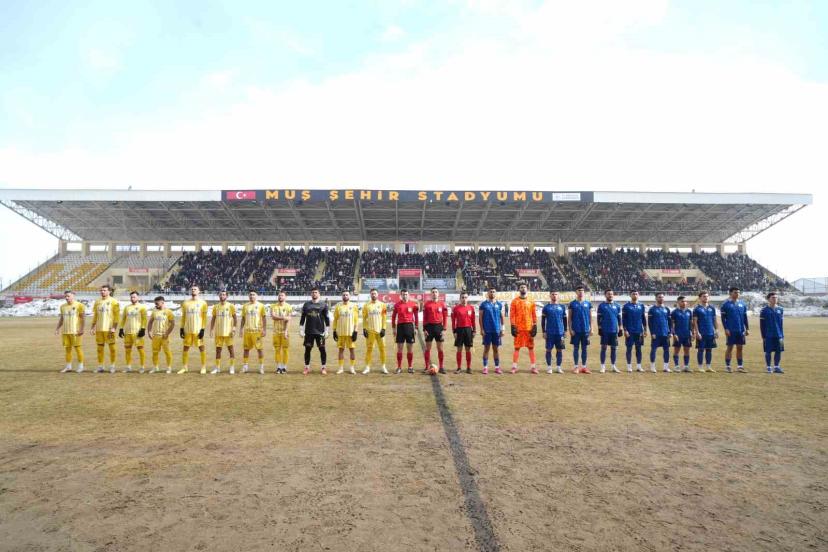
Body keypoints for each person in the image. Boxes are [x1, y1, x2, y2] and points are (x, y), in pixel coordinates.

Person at [90, 284, 120, 373]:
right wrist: (93, 327)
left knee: (112, 348)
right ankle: (100, 366)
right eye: (101, 290)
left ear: (109, 291)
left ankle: (112, 366)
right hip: (99, 329)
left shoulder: (114, 302)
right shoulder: (97, 302)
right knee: (99, 348)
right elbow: (95, 315)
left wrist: (114, 327)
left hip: (109, 329)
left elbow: (117, 316)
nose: (102, 292)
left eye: (104, 290)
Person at [179, 285, 208, 374]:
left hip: (197, 330)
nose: (193, 290)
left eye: (195, 289)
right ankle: (184, 367)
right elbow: (183, 316)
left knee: (201, 347)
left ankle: (203, 367)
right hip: (187, 329)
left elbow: (204, 318)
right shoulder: (185, 303)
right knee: (185, 347)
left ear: (199, 291)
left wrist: (203, 329)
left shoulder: (203, 303)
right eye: (192, 289)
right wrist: (181, 328)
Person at [300, 287, 330, 375]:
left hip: (320, 332)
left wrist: (327, 330)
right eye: (313, 292)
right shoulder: (306, 305)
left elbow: (327, 318)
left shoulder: (323, 305)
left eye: (316, 292)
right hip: (309, 331)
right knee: (307, 349)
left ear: (319, 294)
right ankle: (307, 367)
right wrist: (301, 329)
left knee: (322, 349)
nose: (314, 294)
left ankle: (323, 367)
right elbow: (303, 317)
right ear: (311, 294)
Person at [509, 282, 538, 374]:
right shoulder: (514, 301)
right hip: (518, 328)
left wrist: (535, 325)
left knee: (531, 347)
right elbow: (512, 315)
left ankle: (533, 367)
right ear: (519, 289)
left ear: (527, 289)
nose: (523, 288)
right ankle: (514, 367)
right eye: (521, 287)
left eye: (524, 287)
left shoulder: (531, 301)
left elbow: (534, 314)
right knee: (517, 348)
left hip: (529, 328)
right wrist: (513, 325)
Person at [720, 286, 749, 373]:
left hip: (740, 330)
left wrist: (747, 328)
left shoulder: (742, 304)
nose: (737, 294)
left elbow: (745, 317)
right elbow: (723, 318)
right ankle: (728, 366)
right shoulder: (725, 304)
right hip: (731, 330)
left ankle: (740, 366)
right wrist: (726, 328)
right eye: (735, 292)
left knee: (740, 347)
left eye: (738, 292)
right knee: (730, 347)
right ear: (730, 293)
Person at [56, 290, 85, 373]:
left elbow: (83, 318)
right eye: (65, 296)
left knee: (78, 348)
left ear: (73, 296)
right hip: (65, 331)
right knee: (67, 350)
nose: (66, 298)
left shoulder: (79, 305)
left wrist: (81, 329)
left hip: (75, 331)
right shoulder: (62, 306)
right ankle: (68, 367)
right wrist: (57, 328)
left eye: (68, 296)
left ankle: (81, 366)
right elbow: (62, 318)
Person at [209, 290, 237, 374]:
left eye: (224, 295)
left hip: (228, 332)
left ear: (227, 296)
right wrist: (211, 329)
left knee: (231, 349)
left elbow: (235, 318)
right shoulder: (216, 307)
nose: (222, 296)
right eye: (221, 295)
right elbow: (213, 318)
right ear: (219, 296)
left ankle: (232, 367)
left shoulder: (231, 306)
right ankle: (217, 368)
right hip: (218, 332)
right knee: (218, 350)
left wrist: (234, 328)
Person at [392, 289, 419, 374]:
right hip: (400, 327)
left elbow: (416, 316)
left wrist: (416, 327)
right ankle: (399, 367)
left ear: (408, 295)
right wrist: (394, 328)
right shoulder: (397, 305)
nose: (405, 296)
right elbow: (393, 317)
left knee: (409, 348)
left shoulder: (413, 304)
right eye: (403, 294)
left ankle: (410, 367)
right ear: (401, 295)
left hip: (409, 326)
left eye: (406, 294)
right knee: (399, 348)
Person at [478, 287, 505, 375]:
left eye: (494, 292)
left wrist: (503, 328)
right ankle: (485, 367)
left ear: (495, 293)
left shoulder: (499, 304)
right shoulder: (483, 304)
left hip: (496, 330)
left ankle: (497, 367)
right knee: (486, 348)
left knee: (496, 349)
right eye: (491, 292)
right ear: (488, 293)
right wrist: (482, 329)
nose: (492, 293)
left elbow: (502, 317)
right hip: (487, 330)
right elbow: (480, 317)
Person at [361, 288, 388, 374]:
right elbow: (364, 318)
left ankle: (383, 366)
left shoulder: (383, 305)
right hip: (370, 331)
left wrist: (383, 328)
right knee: (369, 349)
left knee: (382, 349)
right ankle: (367, 367)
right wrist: (364, 328)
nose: (373, 295)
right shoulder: (366, 305)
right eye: (372, 293)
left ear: (378, 294)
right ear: (370, 295)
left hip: (380, 331)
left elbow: (384, 318)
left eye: (375, 293)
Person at [119, 291, 147, 373]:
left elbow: (144, 319)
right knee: (127, 350)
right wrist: (121, 329)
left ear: (138, 297)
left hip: (137, 332)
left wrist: (143, 329)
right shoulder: (127, 307)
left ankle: (142, 367)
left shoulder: (142, 307)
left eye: (134, 297)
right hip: (128, 332)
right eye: (131, 297)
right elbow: (123, 319)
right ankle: (128, 367)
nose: (132, 298)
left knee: (140, 350)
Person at [422, 288, 449, 374]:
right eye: (433, 292)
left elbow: (445, 317)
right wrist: (424, 329)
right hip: (429, 327)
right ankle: (426, 367)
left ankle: (441, 367)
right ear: (431, 294)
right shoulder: (427, 304)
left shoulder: (442, 304)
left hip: (439, 327)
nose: (434, 293)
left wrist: (444, 329)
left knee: (440, 348)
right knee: (427, 348)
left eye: (436, 292)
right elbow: (424, 317)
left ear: (438, 294)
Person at [240, 290, 267, 374]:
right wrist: (241, 329)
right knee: (246, 349)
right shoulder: (245, 306)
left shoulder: (261, 306)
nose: (252, 296)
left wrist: (264, 329)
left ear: (256, 296)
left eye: (253, 294)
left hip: (257, 331)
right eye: (250, 295)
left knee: (259, 349)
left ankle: (261, 367)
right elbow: (243, 318)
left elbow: (264, 318)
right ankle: (245, 367)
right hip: (247, 331)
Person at [333, 290, 360, 374]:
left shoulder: (354, 306)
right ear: (342, 296)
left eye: (347, 295)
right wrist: (334, 330)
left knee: (352, 350)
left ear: (349, 296)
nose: (345, 296)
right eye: (344, 295)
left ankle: (352, 368)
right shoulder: (338, 306)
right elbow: (335, 319)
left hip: (350, 333)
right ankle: (341, 368)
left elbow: (356, 320)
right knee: (341, 350)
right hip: (341, 332)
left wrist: (355, 331)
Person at [568, 286, 593, 374]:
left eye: (582, 291)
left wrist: (591, 329)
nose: (581, 292)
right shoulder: (572, 304)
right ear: (576, 292)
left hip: (585, 330)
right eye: (579, 290)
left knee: (584, 348)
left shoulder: (588, 303)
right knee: (576, 348)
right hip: (576, 330)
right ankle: (576, 367)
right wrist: (570, 329)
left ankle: (584, 367)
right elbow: (569, 318)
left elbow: (590, 317)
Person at [147, 296, 175, 374]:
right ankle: (155, 367)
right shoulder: (154, 311)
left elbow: (173, 323)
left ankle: (169, 368)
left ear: (162, 302)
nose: (156, 305)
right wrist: (149, 332)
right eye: (155, 303)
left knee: (167, 352)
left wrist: (167, 333)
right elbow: (150, 322)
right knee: (155, 352)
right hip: (155, 336)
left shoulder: (168, 311)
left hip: (164, 336)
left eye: (157, 303)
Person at [541, 290, 567, 374]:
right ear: (550, 296)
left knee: (559, 350)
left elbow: (565, 320)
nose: (554, 296)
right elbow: (543, 320)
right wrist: (544, 331)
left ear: (558, 295)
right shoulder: (546, 307)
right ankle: (549, 367)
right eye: (553, 294)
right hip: (549, 332)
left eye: (556, 294)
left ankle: (559, 367)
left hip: (560, 332)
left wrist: (565, 330)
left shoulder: (562, 307)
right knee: (548, 349)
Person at [596, 289, 622, 374]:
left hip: (614, 331)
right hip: (605, 330)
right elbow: (598, 318)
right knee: (604, 348)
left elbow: (619, 318)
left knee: (614, 348)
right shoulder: (601, 306)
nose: (610, 295)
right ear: (605, 295)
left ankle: (613, 366)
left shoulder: (617, 306)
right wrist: (599, 328)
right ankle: (602, 366)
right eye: (608, 294)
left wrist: (620, 328)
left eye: (611, 294)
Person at [692, 291, 718, 372]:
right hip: (701, 333)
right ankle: (700, 367)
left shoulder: (712, 308)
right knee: (701, 349)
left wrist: (716, 330)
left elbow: (714, 320)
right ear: (700, 298)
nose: (706, 298)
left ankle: (708, 366)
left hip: (710, 332)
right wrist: (697, 332)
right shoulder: (697, 309)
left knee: (709, 349)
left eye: (707, 296)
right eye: (704, 296)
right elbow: (695, 322)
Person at [760, 291, 784, 374]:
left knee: (779, 350)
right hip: (768, 335)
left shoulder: (780, 309)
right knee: (768, 351)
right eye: (773, 298)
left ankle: (776, 367)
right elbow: (762, 324)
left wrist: (782, 335)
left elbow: (781, 323)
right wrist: (763, 336)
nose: (775, 299)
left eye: (776, 297)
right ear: (768, 299)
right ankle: (769, 367)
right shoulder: (764, 310)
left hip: (779, 334)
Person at [622, 290, 647, 372]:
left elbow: (643, 318)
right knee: (629, 348)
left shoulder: (641, 306)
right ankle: (629, 366)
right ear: (630, 295)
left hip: (639, 331)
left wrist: (645, 330)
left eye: (636, 294)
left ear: (638, 295)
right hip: (629, 331)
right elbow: (623, 319)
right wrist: (625, 330)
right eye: (633, 294)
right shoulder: (626, 306)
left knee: (639, 349)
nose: (635, 295)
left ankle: (639, 366)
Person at [648, 292, 672, 373]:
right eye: (659, 297)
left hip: (665, 333)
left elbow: (670, 322)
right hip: (656, 333)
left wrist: (670, 332)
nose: (661, 298)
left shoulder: (667, 309)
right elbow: (650, 323)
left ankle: (666, 367)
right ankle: (652, 367)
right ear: (656, 298)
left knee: (666, 350)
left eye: (662, 297)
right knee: (653, 349)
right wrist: (652, 333)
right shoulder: (652, 309)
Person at [451, 291, 476, 374]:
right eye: (462, 297)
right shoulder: (456, 308)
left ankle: (468, 368)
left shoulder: (471, 308)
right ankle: (459, 368)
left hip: (468, 330)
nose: (464, 299)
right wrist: (454, 331)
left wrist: (474, 330)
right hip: (459, 330)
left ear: (467, 298)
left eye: (465, 297)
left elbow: (473, 320)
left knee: (468, 349)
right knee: (459, 349)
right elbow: (453, 321)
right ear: (460, 298)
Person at [270, 289, 292, 374]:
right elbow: (273, 316)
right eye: (279, 295)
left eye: (282, 295)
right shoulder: (273, 306)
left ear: (285, 297)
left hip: (285, 332)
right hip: (276, 331)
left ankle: (284, 367)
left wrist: (286, 331)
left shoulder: (289, 307)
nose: (280, 297)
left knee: (285, 349)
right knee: (277, 349)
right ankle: (279, 367)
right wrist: (283, 317)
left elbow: (289, 320)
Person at [670, 295, 693, 372]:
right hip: (678, 334)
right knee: (676, 350)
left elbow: (690, 324)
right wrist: (674, 334)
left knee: (687, 350)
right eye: (682, 301)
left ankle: (686, 366)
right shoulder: (674, 312)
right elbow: (672, 325)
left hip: (687, 334)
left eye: (685, 301)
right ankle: (676, 366)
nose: (684, 303)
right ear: (678, 302)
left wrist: (692, 332)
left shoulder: (689, 312)